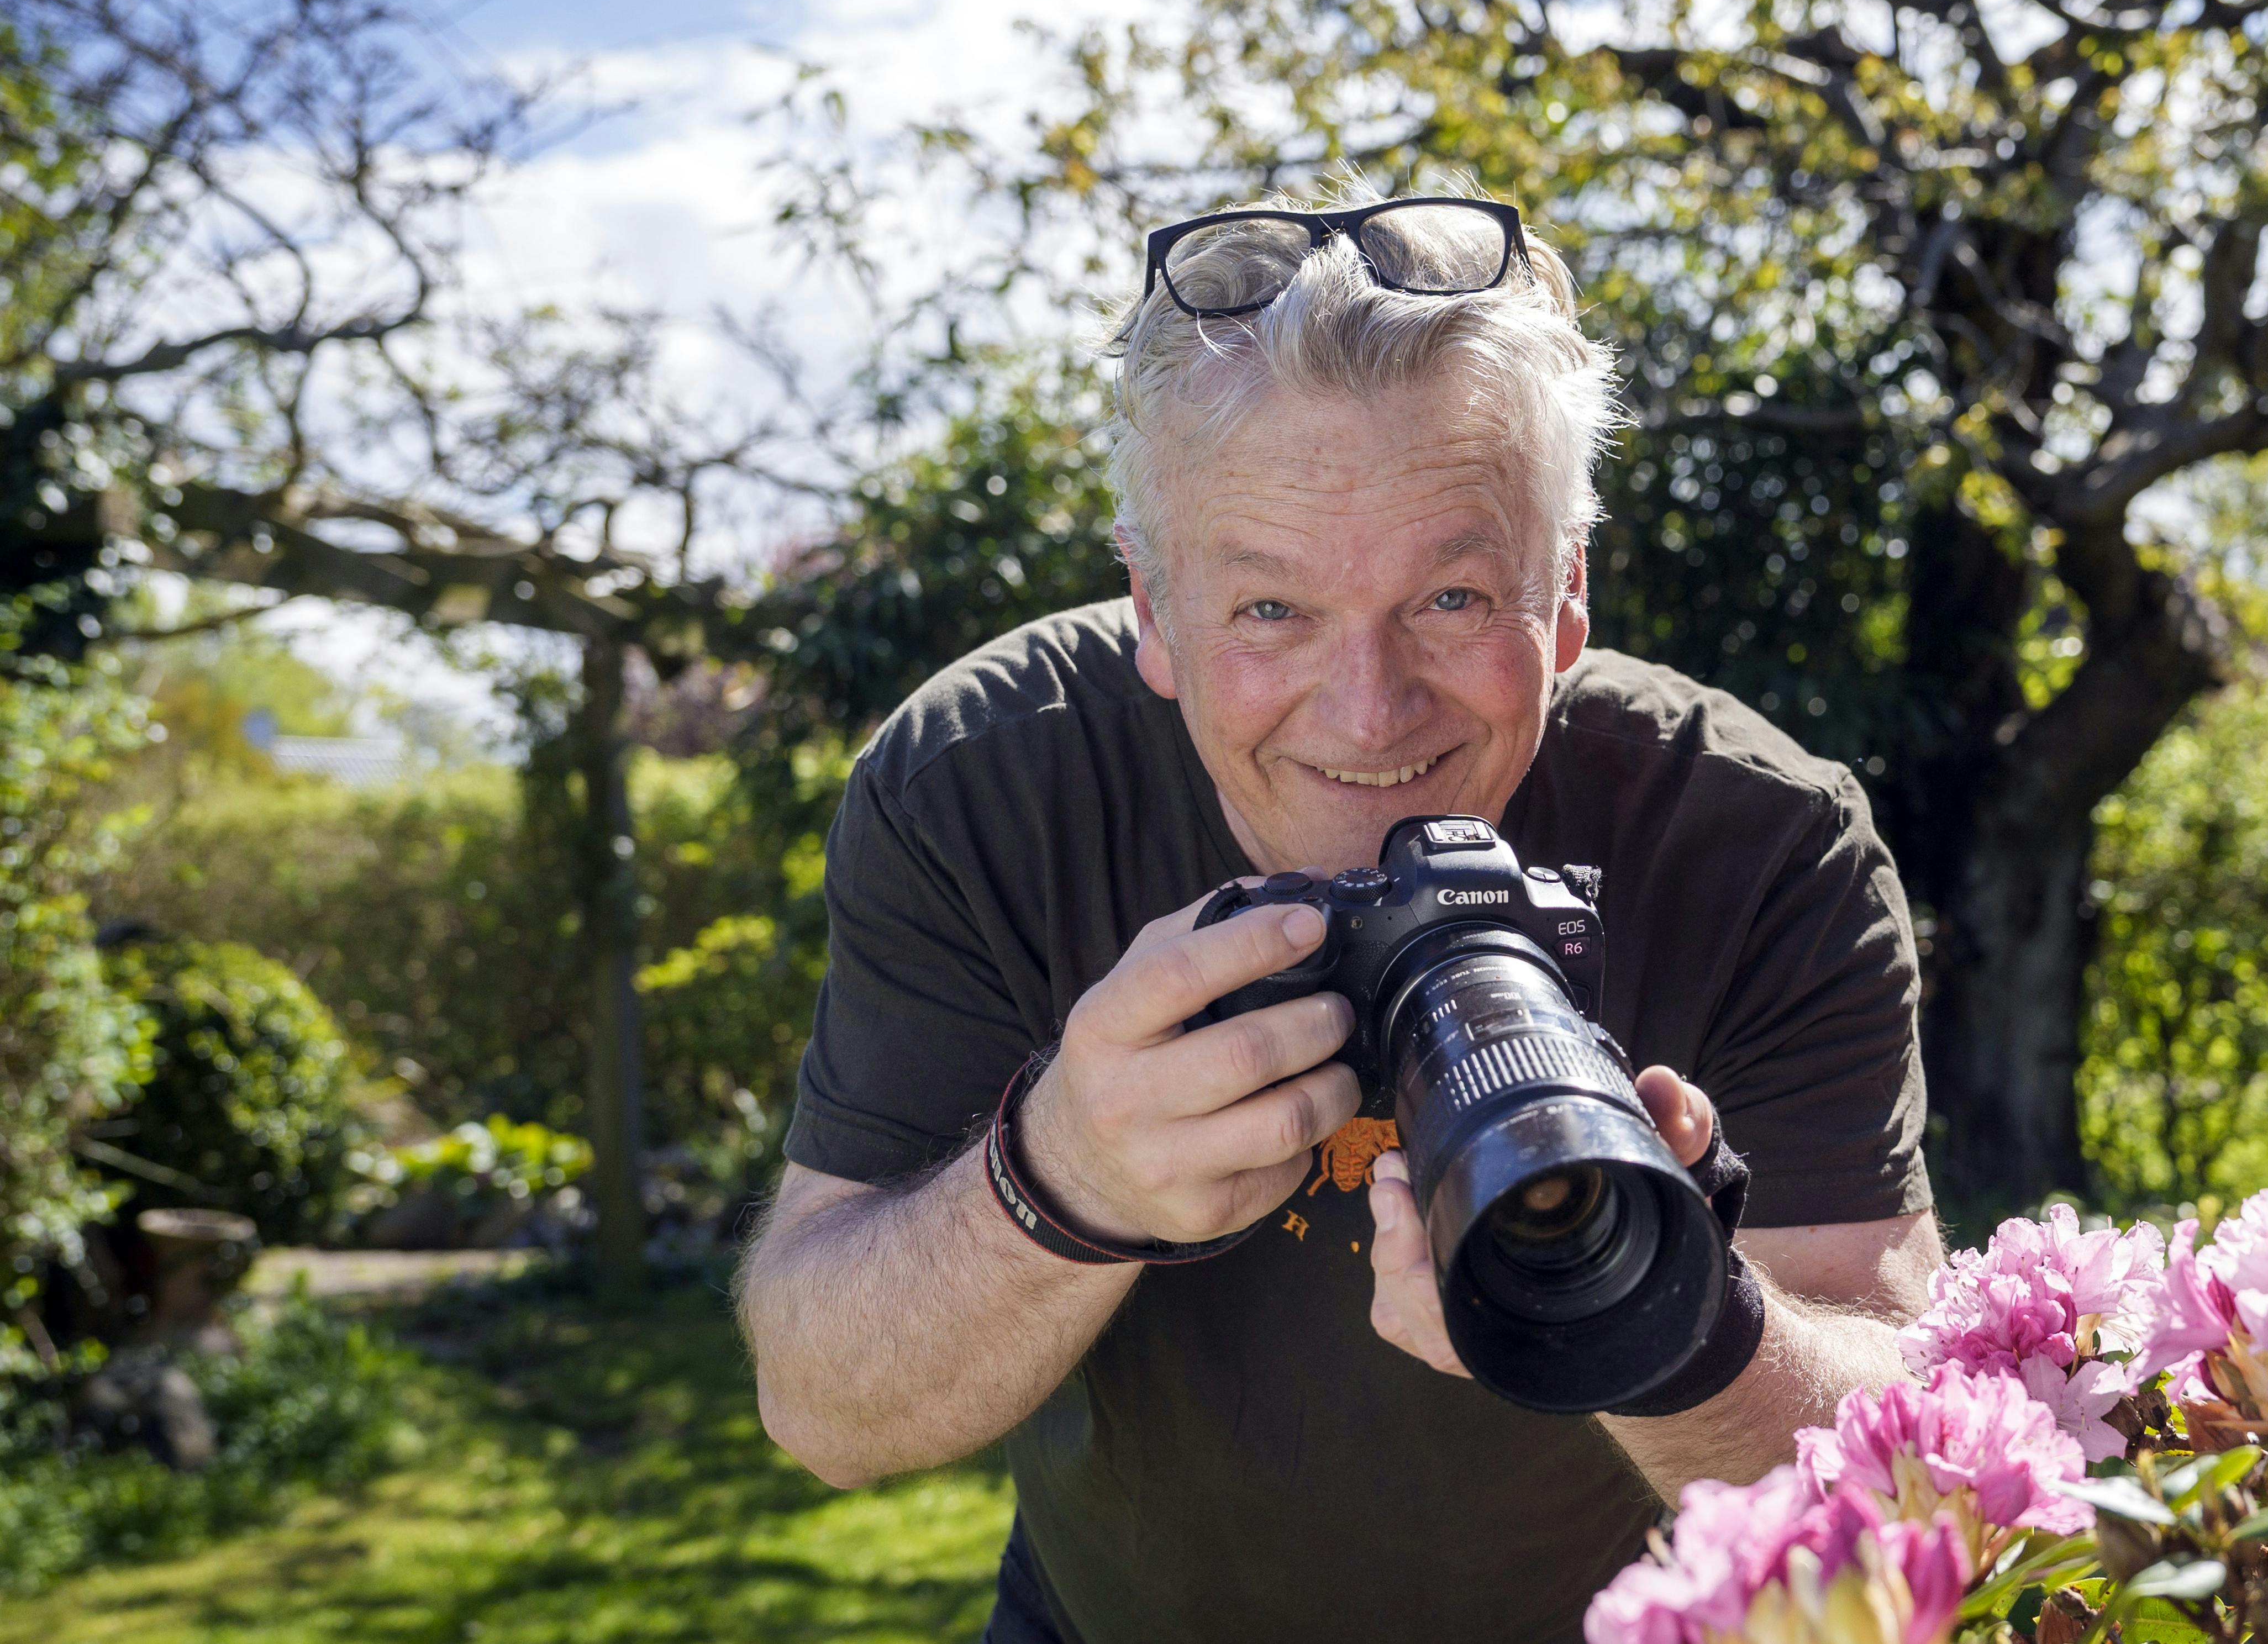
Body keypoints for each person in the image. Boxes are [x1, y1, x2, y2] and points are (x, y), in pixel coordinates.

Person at [735, 192, 1940, 1643]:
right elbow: (821, 1412)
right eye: (1268, 612)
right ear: (1154, 614)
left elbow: (1920, 1472)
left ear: (1563, 603)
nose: (1370, 713)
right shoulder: (987, 785)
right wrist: (1055, 1180)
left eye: (1449, 595)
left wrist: (1680, 1333)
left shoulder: (1753, 838)